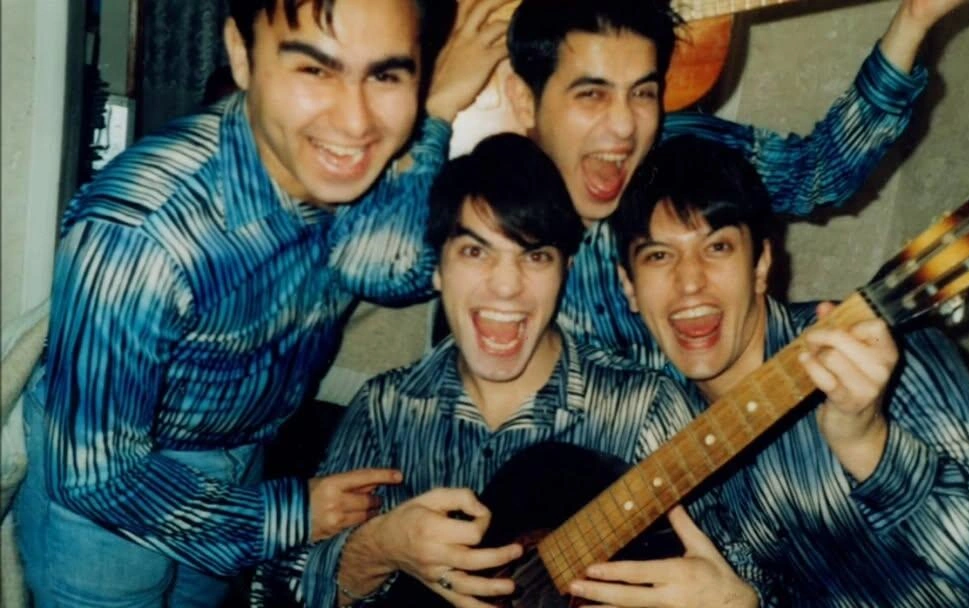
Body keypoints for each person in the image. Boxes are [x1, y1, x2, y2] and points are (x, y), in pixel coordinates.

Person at [12, 0, 513, 606]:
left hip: (241, 455)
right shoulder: (142, 229)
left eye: (385, 75)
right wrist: (292, 513)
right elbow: (93, 472)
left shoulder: (344, 165)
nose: (354, 121)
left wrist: (437, 109)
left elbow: (386, 269)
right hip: (112, 493)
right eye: (314, 70)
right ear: (242, 55)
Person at [569, 134, 969, 606]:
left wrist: (870, 444)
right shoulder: (671, 428)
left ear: (761, 264)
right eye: (659, 256)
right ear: (629, 287)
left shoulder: (888, 358)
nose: (689, 283)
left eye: (717, 247)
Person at [252, 133, 702, 607]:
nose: (506, 286)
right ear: (437, 266)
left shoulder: (645, 410)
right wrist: (377, 550)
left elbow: (724, 570)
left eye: (535, 256)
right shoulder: (385, 409)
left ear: (565, 269)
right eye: (475, 251)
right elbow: (274, 595)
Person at [492, 0, 969, 370]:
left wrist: (914, 18)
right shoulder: (484, 206)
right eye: (592, 94)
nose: (624, 127)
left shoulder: (682, 151)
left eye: (642, 92)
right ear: (526, 99)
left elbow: (816, 171)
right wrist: (450, 100)